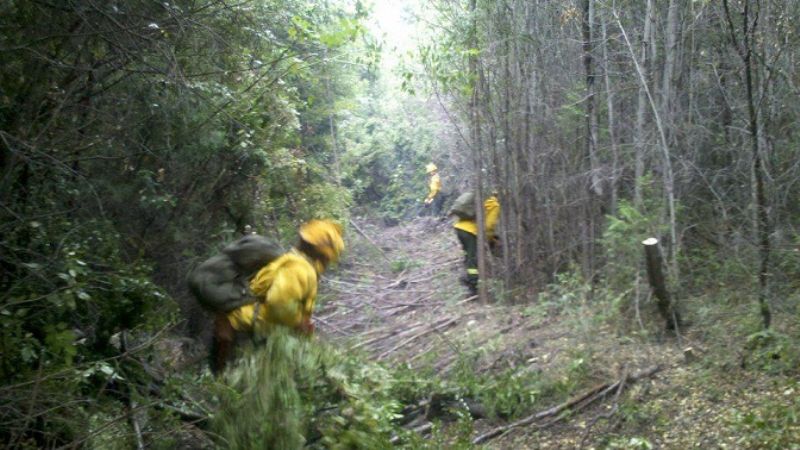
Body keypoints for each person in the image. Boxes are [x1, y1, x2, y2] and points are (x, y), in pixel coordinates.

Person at [210, 219, 344, 373]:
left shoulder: (292, 261)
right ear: (323, 254)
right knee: (232, 388)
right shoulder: (300, 268)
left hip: (242, 330)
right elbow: (279, 305)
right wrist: (300, 323)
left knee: (227, 387)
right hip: (243, 334)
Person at [452, 193, 500, 296]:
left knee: (468, 255)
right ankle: (473, 286)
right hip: (470, 232)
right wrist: (489, 239)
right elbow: (489, 226)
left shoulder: (483, 199)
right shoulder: (494, 204)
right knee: (473, 258)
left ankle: (466, 277)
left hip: (460, 228)